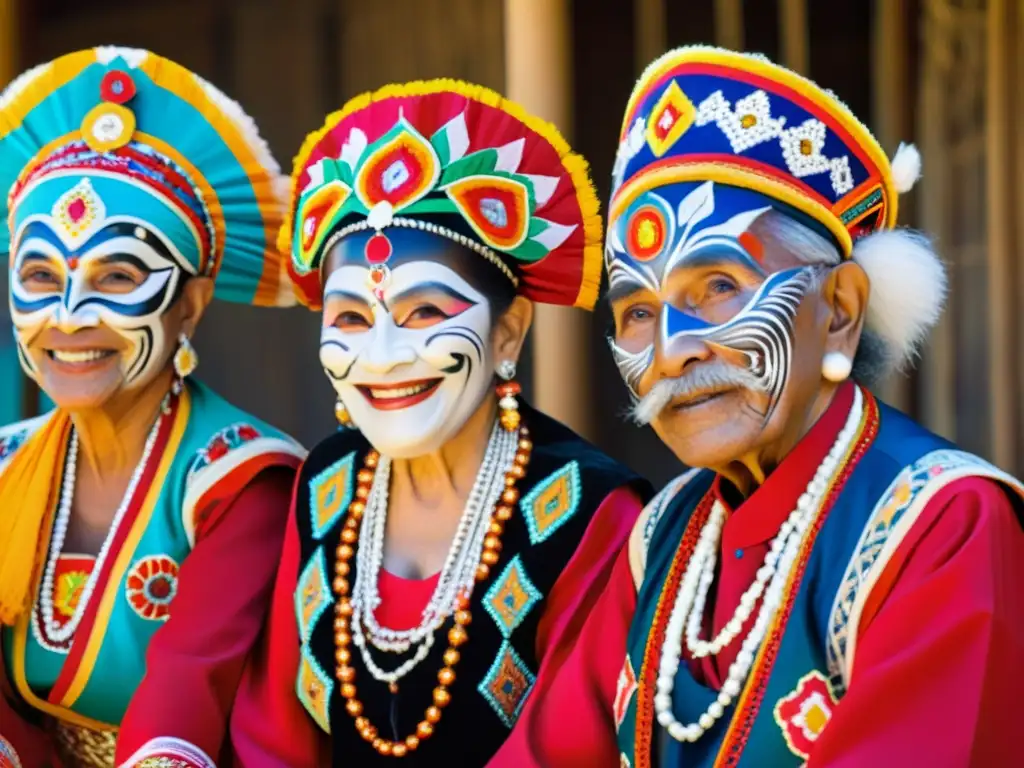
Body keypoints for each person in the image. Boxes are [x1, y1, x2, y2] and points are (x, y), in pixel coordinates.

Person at [488, 46, 1024, 767]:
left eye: (718, 286)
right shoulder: (664, 537)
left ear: (838, 310)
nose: (673, 349)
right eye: (638, 312)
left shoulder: (944, 526)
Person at [229, 79, 652, 766]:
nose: (385, 356)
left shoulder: (593, 512)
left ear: (509, 332)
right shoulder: (325, 482)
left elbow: (567, 746)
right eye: (351, 320)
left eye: (426, 312)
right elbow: (271, 731)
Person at [0, 47, 305, 767]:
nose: (70, 317)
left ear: (190, 305)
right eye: (40, 275)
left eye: (119, 276)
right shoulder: (7, 463)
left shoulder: (240, 478)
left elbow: (187, 691)